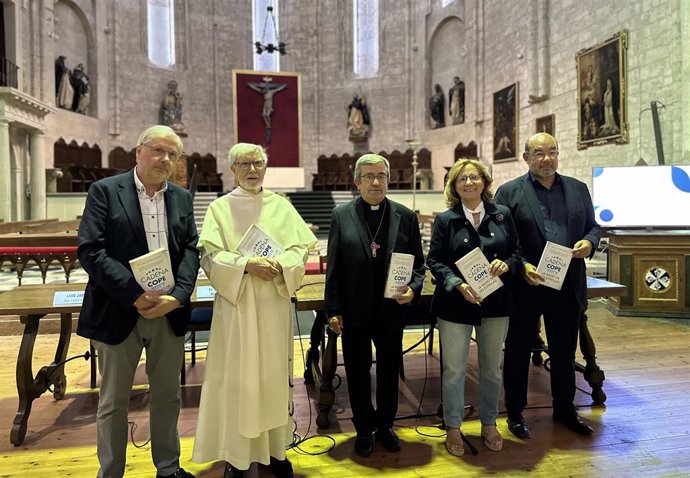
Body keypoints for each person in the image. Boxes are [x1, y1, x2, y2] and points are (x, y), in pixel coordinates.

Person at [77, 125, 200, 478]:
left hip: (167, 313)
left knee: (167, 396)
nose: (165, 159)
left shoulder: (181, 197)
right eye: (158, 150)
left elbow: (192, 248)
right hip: (118, 310)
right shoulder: (104, 191)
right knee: (113, 401)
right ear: (139, 151)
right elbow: (91, 250)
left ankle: (168, 467)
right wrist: (133, 294)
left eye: (172, 154)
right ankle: (111, 472)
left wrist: (177, 297)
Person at [192, 143, 317, 478]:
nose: (252, 169)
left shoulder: (282, 206)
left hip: (273, 305)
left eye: (258, 163)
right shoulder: (219, 209)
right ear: (232, 169)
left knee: (273, 380)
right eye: (244, 163)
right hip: (238, 308)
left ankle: (276, 451)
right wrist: (246, 264)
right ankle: (238, 456)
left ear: (266, 166)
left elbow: (300, 250)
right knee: (239, 379)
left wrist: (279, 263)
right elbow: (209, 257)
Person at [495, 132, 601, 439]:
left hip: (567, 283)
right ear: (526, 158)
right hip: (526, 284)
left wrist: (589, 242)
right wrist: (522, 265)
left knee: (564, 350)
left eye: (552, 151)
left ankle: (565, 409)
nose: (547, 158)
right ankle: (515, 412)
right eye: (539, 153)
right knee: (517, 350)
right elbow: (502, 240)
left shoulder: (578, 189)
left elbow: (594, 226)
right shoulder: (509, 192)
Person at [324, 153, 426, 457]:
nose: (376, 181)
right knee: (357, 370)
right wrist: (333, 309)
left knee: (388, 370)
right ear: (357, 181)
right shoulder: (341, 215)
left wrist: (413, 289)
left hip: (390, 309)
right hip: (354, 310)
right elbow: (334, 267)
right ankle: (364, 428)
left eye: (381, 175)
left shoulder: (405, 216)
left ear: (389, 179)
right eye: (368, 176)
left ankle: (385, 426)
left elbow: (419, 267)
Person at [426, 159, 520, 457]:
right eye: (462, 179)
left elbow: (518, 251)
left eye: (475, 177)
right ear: (454, 186)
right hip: (456, 303)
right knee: (454, 370)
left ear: (484, 181)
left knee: (492, 369)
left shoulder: (502, 215)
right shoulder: (446, 219)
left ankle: (489, 422)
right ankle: (453, 426)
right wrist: (457, 283)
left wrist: (507, 264)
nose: (469, 183)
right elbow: (435, 260)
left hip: (496, 302)